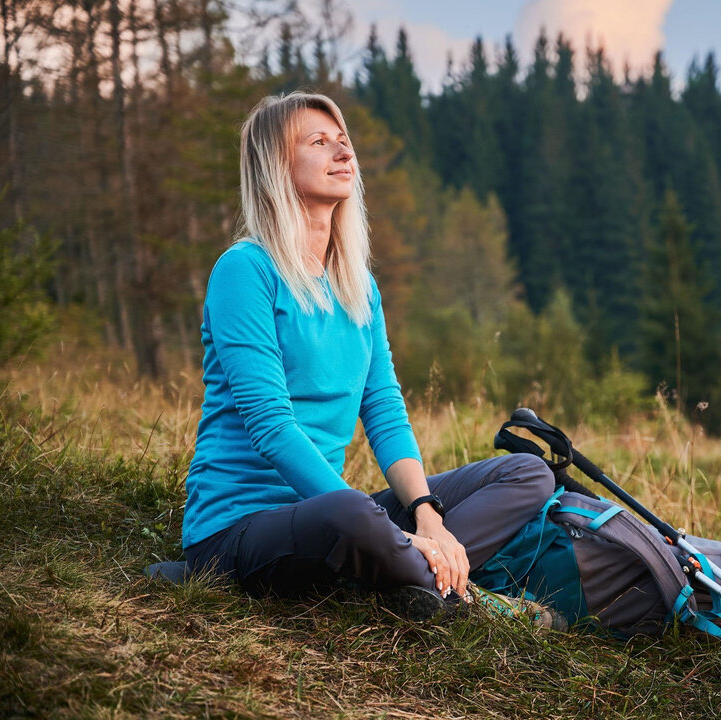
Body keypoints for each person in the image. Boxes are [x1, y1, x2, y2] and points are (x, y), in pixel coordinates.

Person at [181, 92, 554, 613]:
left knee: (529, 472)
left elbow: (383, 407)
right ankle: (462, 598)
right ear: (276, 167)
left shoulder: (359, 286)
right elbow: (270, 425)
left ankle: (407, 575)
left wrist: (427, 516)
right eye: (319, 142)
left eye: (344, 142)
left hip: (335, 514)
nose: (343, 153)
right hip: (239, 529)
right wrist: (377, 521)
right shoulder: (245, 271)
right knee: (353, 516)